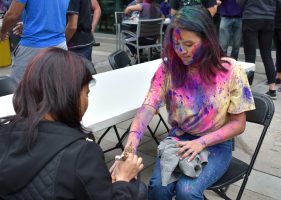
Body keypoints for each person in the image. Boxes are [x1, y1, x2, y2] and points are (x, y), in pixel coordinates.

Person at [121, 6, 255, 200]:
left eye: (189, 43)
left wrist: (201, 142)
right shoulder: (169, 69)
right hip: (178, 139)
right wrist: (132, 140)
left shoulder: (230, 70)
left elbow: (238, 123)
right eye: (176, 44)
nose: (181, 51)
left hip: (216, 144)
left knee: (187, 191)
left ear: (207, 41)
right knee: (159, 188)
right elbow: (149, 106)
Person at [0, 48, 145, 199]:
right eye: (86, 93)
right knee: (139, 189)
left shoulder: (3, 133)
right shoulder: (82, 155)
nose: (87, 101)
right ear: (69, 95)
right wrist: (123, 179)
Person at [0, 0, 69, 82]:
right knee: (56, 88)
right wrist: (30, 25)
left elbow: (12, 15)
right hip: (60, 46)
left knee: (18, 88)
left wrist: (3, 32)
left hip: (33, 47)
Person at [238, 0, 281, 100]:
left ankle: (248, 89)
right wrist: (270, 9)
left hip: (251, 17)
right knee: (267, 55)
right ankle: (272, 90)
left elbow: (239, 2)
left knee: (250, 55)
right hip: (268, 18)